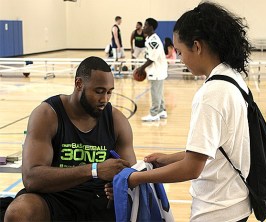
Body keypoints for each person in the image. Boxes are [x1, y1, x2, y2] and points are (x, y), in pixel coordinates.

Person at [128, 2, 252, 222]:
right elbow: (213, 151)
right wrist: (168, 159)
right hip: (237, 202)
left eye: (180, 51)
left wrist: (137, 178)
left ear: (197, 46)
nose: (179, 58)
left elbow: (192, 168)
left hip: (215, 210)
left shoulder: (211, 94)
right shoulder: (233, 78)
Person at [4, 56, 137, 222]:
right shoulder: (47, 114)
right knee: (19, 212)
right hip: (55, 196)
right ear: (79, 84)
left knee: (135, 208)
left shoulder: (117, 121)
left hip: (99, 198)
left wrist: (121, 183)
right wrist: (94, 170)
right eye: (99, 91)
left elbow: (131, 174)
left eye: (109, 92)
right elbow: (31, 178)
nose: (105, 99)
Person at [136, 18, 168, 122]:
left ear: (151, 27)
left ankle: (154, 114)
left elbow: (152, 58)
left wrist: (141, 68)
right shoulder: (150, 38)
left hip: (157, 70)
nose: (143, 27)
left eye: (145, 25)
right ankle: (162, 110)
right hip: (158, 69)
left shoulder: (153, 41)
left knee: (155, 91)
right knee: (159, 91)